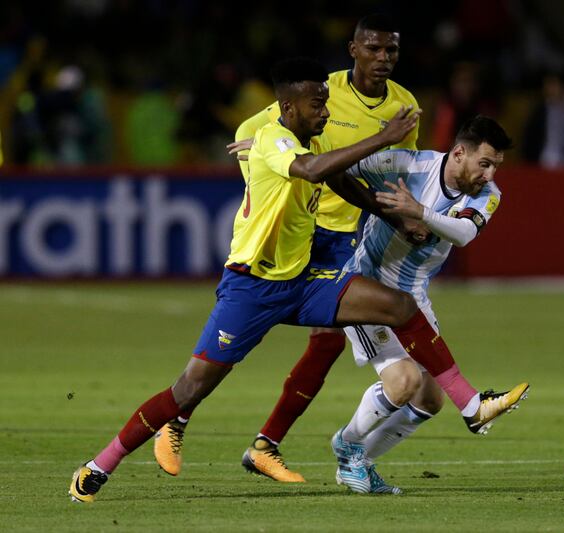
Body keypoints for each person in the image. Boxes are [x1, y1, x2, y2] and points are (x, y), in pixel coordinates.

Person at [69, 57, 527, 504]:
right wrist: (382, 138)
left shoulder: (313, 147)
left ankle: (469, 404)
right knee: (188, 388)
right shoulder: (275, 140)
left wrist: (395, 215)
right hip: (251, 289)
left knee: (399, 307)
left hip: (305, 282)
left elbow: (341, 181)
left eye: (326, 103)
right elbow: (310, 171)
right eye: (316, 105)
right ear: (289, 109)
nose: (325, 112)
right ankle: (100, 464)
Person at [153, 14, 422, 482]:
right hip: (303, 230)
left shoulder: (404, 106)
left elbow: (393, 170)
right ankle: (177, 420)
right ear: (353, 49)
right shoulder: (321, 90)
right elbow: (255, 130)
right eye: (373, 49)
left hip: (343, 239)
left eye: (391, 51)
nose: (383, 59)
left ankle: (265, 445)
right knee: (237, 339)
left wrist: (396, 213)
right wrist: (264, 171)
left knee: (329, 342)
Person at [332, 115, 525, 494]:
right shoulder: (407, 163)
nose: (489, 174)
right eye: (484, 164)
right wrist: (277, 153)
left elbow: (465, 233)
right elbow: (339, 167)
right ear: (458, 153)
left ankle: (359, 463)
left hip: (413, 296)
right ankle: (347, 444)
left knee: (430, 398)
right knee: (403, 382)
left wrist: (419, 212)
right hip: (366, 289)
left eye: (496, 166)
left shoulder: (488, 194)